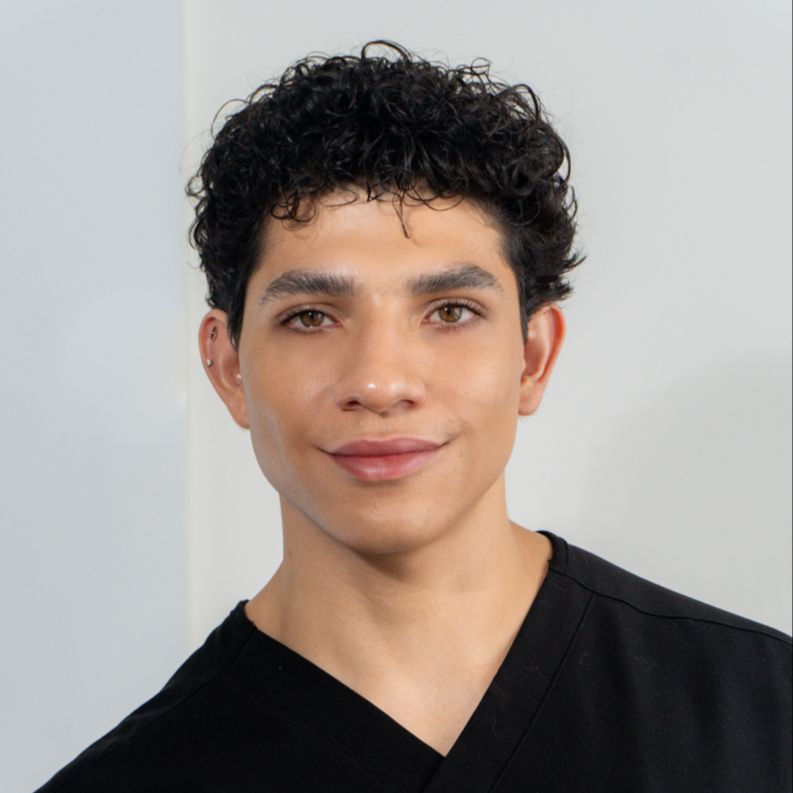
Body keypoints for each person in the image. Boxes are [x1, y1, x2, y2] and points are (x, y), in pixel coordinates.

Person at [34, 40, 791, 793]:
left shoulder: (762, 710)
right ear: (229, 366)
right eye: (310, 317)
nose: (379, 381)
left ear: (531, 356)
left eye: (450, 311)